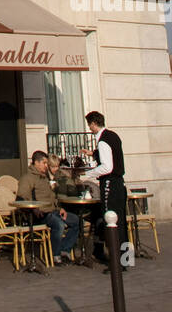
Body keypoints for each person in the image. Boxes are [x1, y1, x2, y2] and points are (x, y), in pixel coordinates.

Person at [80, 111, 129, 269]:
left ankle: (116, 262)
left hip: (109, 183)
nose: (89, 128)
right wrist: (94, 154)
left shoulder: (102, 141)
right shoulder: (112, 136)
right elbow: (111, 155)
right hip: (119, 183)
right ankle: (126, 259)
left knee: (110, 220)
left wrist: (86, 175)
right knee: (120, 222)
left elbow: (107, 167)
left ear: (94, 123)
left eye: (89, 125)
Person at [17, 150, 80, 266]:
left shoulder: (44, 178)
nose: (46, 166)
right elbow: (21, 198)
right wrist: (34, 209)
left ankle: (64, 250)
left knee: (76, 220)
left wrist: (59, 208)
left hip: (52, 211)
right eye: (44, 163)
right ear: (36, 163)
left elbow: (51, 197)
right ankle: (55, 256)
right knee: (59, 224)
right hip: (39, 214)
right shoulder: (28, 178)